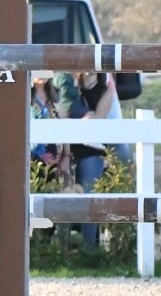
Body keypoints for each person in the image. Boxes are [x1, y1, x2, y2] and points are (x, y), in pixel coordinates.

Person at [51, 71, 113, 248]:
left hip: (91, 149)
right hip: (66, 149)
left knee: (89, 197)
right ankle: (61, 249)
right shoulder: (64, 80)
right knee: (64, 197)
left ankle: (89, 249)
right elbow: (64, 111)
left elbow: (98, 118)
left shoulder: (103, 87)